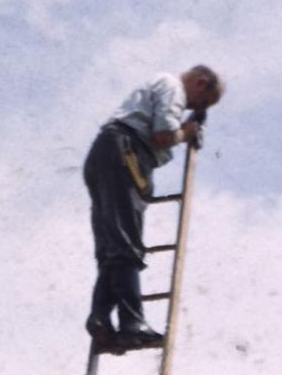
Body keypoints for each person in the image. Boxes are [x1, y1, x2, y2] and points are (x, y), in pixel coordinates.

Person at [84, 65, 224, 354]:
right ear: (200, 83)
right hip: (125, 153)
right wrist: (186, 132)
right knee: (126, 245)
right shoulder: (172, 86)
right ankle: (132, 325)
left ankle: (102, 320)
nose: (194, 107)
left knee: (112, 247)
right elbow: (163, 134)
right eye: (202, 101)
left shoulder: (159, 88)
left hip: (108, 155)